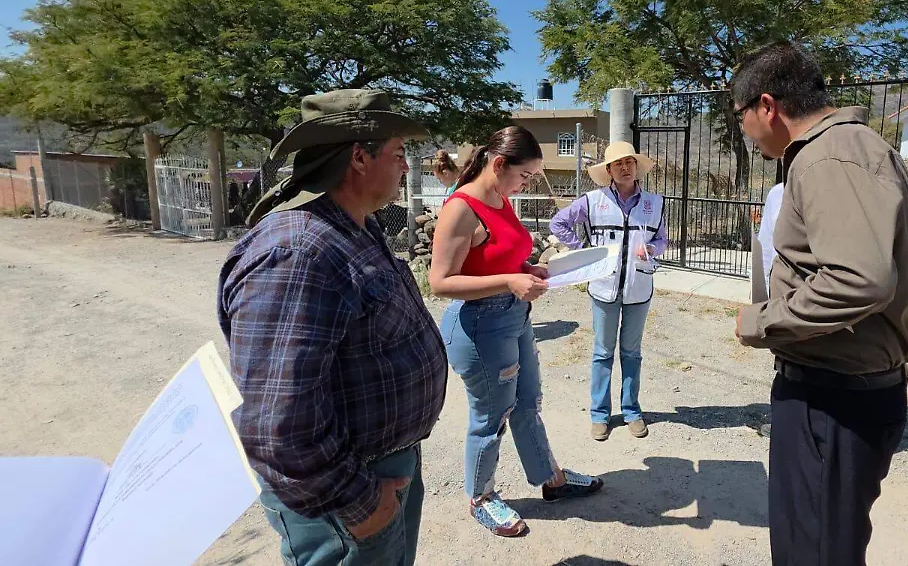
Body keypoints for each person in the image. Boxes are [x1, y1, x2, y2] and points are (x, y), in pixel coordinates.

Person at [218, 89, 448, 566]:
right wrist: (361, 505)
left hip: (381, 470)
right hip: (344, 499)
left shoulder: (354, 226)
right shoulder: (297, 253)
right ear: (360, 158)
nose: (406, 166)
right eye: (399, 154)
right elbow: (276, 426)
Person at [732, 42, 908, 565]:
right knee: (823, 542)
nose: (745, 131)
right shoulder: (844, 150)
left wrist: (762, 320)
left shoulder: (828, 156)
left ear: (766, 106)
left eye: (741, 115)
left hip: (834, 396)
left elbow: (859, 279)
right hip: (836, 387)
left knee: (814, 552)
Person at [429, 125, 604, 537]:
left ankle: (550, 478)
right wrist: (509, 282)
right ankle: (481, 497)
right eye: (525, 175)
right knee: (491, 416)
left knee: (527, 401)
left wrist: (525, 270)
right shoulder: (461, 207)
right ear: (498, 163)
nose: (527, 183)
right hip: (479, 326)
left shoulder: (500, 198)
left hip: (514, 317)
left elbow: (496, 257)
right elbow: (440, 282)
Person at [549, 142, 667, 441]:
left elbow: (663, 240)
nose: (625, 167)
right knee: (602, 352)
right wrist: (585, 252)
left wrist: (653, 248)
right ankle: (599, 414)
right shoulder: (593, 201)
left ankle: (632, 411)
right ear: (609, 171)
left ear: (636, 166)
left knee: (632, 352)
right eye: (618, 164)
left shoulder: (654, 203)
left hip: (639, 287)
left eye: (629, 162)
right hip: (603, 287)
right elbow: (559, 223)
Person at [750, 180, 785, 439]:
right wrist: (759, 294)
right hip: (781, 296)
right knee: (785, 362)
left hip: (816, 298)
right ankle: (785, 420)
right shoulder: (778, 193)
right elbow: (766, 244)